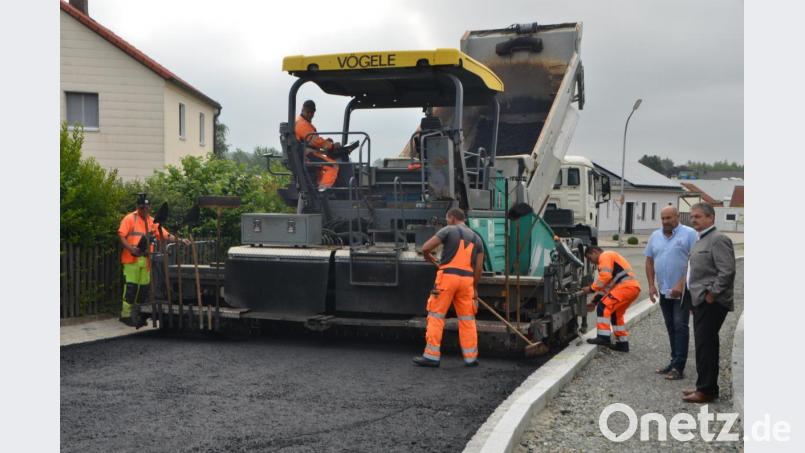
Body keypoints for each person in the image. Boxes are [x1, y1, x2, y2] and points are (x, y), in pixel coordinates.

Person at [413, 208, 485, 368]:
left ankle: (431, 356)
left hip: (447, 278)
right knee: (467, 319)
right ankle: (471, 357)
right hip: (467, 280)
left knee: (436, 315)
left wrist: (431, 259)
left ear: (452, 218)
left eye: (447, 219)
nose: (446, 222)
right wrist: (474, 287)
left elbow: (425, 248)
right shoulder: (477, 238)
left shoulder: (448, 230)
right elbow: (479, 268)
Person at [682, 203, 736, 403]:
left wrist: (712, 294)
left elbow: (727, 271)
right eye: (692, 216)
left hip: (711, 302)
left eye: (698, 216)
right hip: (699, 300)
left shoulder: (718, 239)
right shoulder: (700, 239)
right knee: (703, 345)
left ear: (711, 218)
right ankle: (704, 385)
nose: (693, 219)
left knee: (706, 345)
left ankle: (706, 391)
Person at [645, 206, 698, 380]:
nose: (666, 221)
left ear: (677, 216)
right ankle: (674, 360)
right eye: (663, 218)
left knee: (680, 326)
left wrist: (681, 284)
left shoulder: (689, 234)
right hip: (663, 290)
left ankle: (679, 367)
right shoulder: (655, 236)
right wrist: (651, 285)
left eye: (669, 218)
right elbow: (649, 261)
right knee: (670, 326)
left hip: (682, 292)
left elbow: (695, 261)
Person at [117, 193, 182, 328]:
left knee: (143, 289)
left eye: (146, 208)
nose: (144, 210)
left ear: (150, 207)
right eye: (142, 208)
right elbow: (121, 235)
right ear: (137, 207)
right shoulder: (129, 219)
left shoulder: (152, 222)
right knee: (131, 288)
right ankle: (126, 315)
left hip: (145, 260)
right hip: (131, 260)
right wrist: (131, 249)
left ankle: (138, 314)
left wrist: (180, 240)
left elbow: (165, 235)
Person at [582, 246, 641, 352]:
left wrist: (591, 289)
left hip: (625, 288)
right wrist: (594, 302)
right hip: (632, 289)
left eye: (590, 258)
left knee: (603, 306)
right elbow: (607, 286)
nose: (592, 262)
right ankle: (622, 344)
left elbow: (605, 278)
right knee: (616, 314)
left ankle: (603, 337)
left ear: (595, 252)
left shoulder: (605, 256)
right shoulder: (611, 259)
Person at [295, 100, 342, 191]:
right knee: (333, 166)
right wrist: (331, 146)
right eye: (308, 112)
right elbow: (314, 141)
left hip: (307, 153)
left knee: (322, 169)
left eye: (312, 112)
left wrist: (327, 142)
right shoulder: (302, 124)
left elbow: (313, 141)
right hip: (306, 155)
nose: (310, 114)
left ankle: (319, 188)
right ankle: (323, 191)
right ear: (302, 110)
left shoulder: (304, 123)